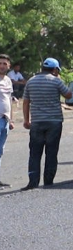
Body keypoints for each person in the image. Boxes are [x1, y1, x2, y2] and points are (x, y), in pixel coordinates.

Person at [22, 57, 72, 190]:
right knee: (51, 152)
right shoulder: (56, 81)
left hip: (37, 122)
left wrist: (26, 120)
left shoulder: (31, 82)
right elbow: (69, 95)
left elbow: (26, 102)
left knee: (34, 153)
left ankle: (33, 182)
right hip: (54, 122)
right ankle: (48, 181)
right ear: (55, 69)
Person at [0, 54, 14, 188]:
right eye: (0, 63)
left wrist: (11, 119)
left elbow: (9, 100)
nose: (2, 66)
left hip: (4, 120)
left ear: (9, 66)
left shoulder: (8, 81)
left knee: (0, 150)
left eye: (5, 63)